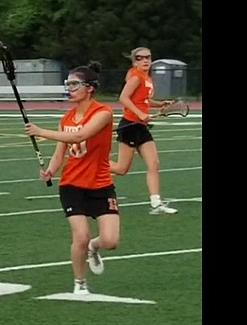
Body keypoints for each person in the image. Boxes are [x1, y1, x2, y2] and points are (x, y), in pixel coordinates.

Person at [23, 61, 120, 295]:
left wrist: (40, 131)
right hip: (72, 185)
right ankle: (79, 283)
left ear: (89, 88)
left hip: (101, 184)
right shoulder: (66, 118)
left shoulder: (103, 113)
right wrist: (51, 171)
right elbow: (61, 151)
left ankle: (93, 249)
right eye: (68, 84)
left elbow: (81, 135)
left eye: (75, 84)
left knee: (110, 241)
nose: (70, 88)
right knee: (80, 235)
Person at [110, 47, 177, 215]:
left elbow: (143, 100)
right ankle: (93, 161)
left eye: (148, 57)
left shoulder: (147, 78)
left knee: (153, 164)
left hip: (141, 127)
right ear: (135, 61)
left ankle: (156, 203)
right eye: (140, 58)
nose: (145, 60)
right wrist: (140, 113)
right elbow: (123, 98)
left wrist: (159, 104)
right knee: (120, 169)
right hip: (130, 125)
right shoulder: (135, 76)